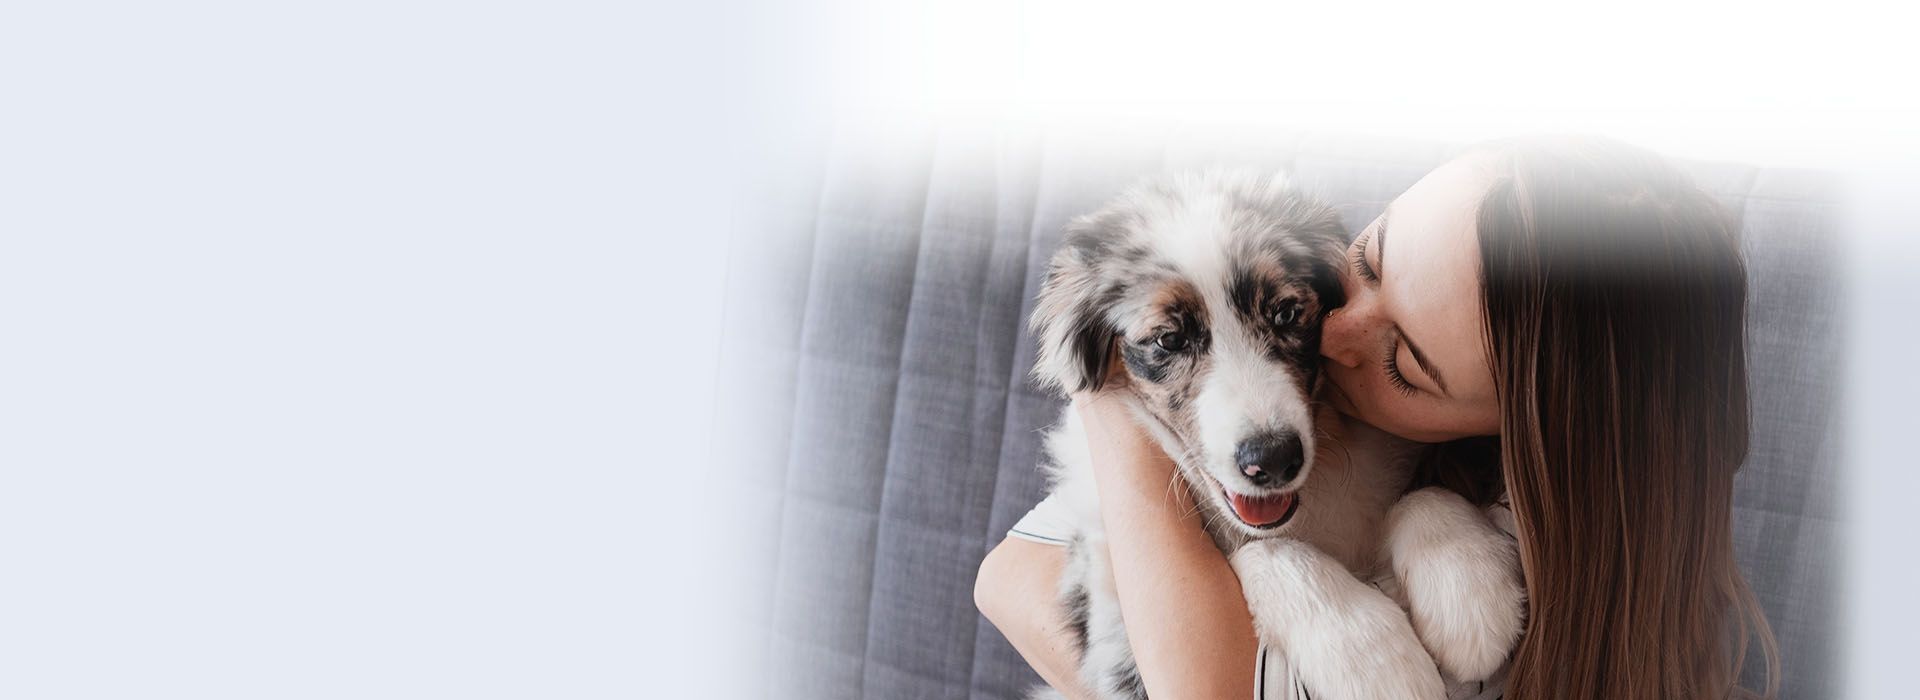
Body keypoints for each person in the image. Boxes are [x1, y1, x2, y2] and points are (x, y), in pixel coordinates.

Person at [973, 136, 1780, 700]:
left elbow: (1203, 686)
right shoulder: (1278, 318)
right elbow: (1005, 580)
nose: (1332, 329)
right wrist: (1108, 349)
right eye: (1364, 263)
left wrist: (1125, 373)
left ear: (1506, 438)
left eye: (1407, 363)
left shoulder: (1537, 579)